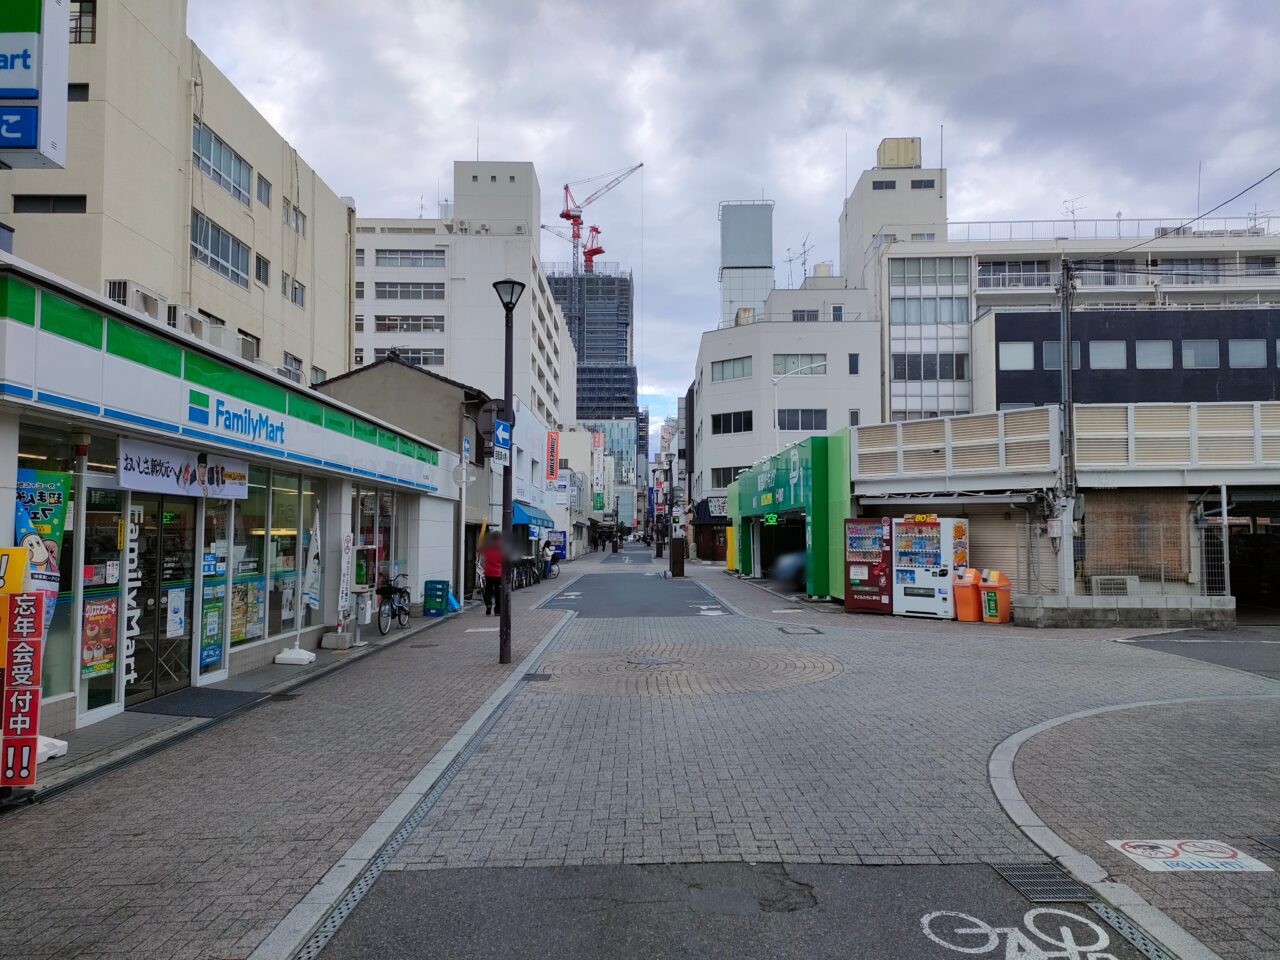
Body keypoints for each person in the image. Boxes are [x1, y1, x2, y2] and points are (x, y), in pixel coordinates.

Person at [481, 533, 504, 616]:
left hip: (488, 573)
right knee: (498, 593)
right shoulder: (501, 548)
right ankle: (497, 610)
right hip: (498, 574)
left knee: (488, 590)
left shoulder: (487, 547)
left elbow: (481, 551)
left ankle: (488, 605)